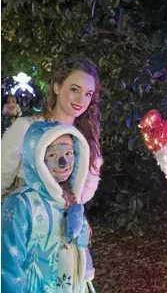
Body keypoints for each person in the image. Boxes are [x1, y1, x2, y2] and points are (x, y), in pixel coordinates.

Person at [1, 121, 95, 292]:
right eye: (52, 155)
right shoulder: (20, 205)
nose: (63, 162)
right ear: (37, 157)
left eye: (69, 153)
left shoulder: (70, 200)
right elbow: (7, 267)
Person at [1, 56, 103, 203]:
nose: (81, 100)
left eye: (88, 94)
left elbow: (85, 193)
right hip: (23, 220)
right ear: (57, 87)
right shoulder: (26, 128)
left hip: (64, 222)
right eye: (75, 89)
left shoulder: (85, 138)